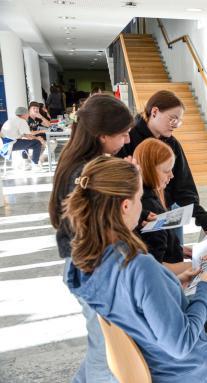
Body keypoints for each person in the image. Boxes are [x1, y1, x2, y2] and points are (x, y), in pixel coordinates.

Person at [63, 155, 207, 383]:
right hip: (188, 370)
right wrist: (206, 287)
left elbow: (136, 304)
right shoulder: (138, 267)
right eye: (138, 199)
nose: (141, 207)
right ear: (125, 205)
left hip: (151, 355)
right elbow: (182, 344)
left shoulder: (80, 263)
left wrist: (172, 282)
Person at [49, 95, 133, 383]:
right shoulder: (86, 173)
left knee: (102, 342)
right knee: (106, 350)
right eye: (122, 134)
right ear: (102, 136)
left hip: (88, 265)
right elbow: (94, 227)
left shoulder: (81, 163)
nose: (127, 139)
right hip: (91, 268)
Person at [132, 138, 207, 305]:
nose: (171, 176)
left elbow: (154, 247)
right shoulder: (149, 207)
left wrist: (185, 251)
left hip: (171, 279)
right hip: (170, 288)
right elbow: (157, 267)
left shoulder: (150, 199)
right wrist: (199, 266)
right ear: (150, 169)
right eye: (166, 171)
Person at [118, 90, 207, 239]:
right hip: (137, 215)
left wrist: (202, 217)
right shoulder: (128, 139)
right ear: (155, 112)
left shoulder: (172, 143)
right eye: (172, 119)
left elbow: (183, 186)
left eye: (178, 121)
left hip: (167, 210)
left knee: (175, 250)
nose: (175, 125)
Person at [0, 106, 44, 171]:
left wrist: (34, 137)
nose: (28, 115)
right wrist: (38, 138)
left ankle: (25, 162)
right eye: (27, 114)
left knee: (26, 141)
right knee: (37, 143)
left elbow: (24, 135)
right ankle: (35, 164)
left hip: (3, 145)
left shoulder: (11, 119)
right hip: (9, 145)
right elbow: (28, 136)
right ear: (24, 114)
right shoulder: (22, 121)